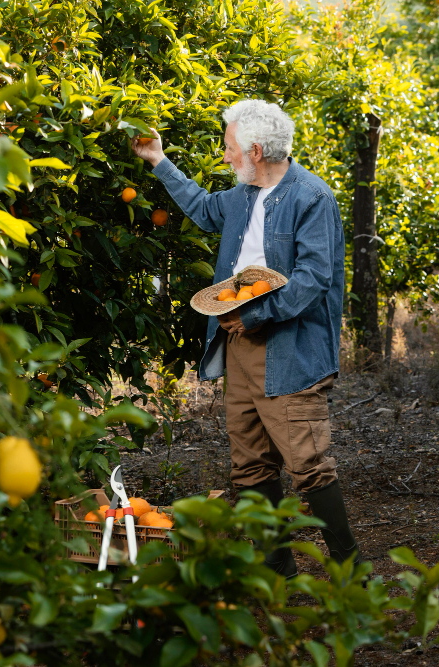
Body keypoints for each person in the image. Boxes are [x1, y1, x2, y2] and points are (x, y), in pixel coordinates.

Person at [131, 99, 360, 577]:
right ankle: (278, 571)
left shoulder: (311, 198)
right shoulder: (241, 197)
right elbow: (200, 207)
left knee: (308, 462)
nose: (225, 154)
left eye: (230, 146)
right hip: (236, 345)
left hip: (289, 347)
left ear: (255, 150)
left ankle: (349, 570)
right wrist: (158, 159)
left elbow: (314, 278)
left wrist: (258, 315)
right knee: (250, 462)